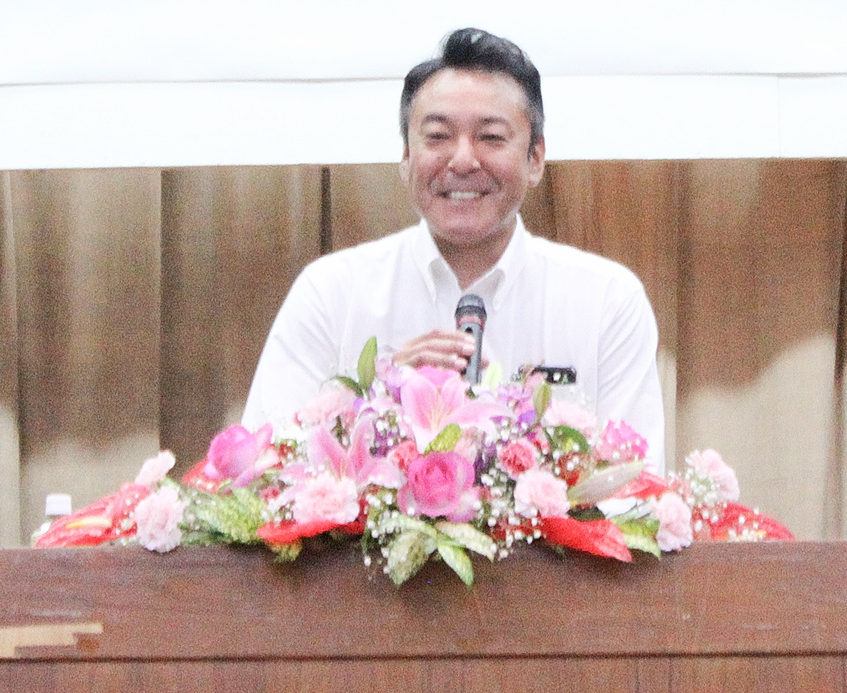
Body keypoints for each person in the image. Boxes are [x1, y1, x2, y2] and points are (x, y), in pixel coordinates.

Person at [241, 27, 667, 466]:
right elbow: (264, 470)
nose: (463, 160)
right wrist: (379, 399)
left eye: (491, 137)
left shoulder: (606, 300)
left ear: (536, 158)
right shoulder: (331, 293)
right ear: (406, 157)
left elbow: (636, 482)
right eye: (438, 137)